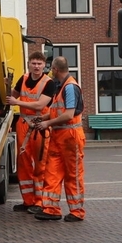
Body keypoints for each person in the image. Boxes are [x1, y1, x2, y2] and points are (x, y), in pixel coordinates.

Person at [32, 56, 85, 222]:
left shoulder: (69, 87)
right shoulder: (62, 87)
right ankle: (51, 209)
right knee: (52, 172)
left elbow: (69, 115)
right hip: (60, 137)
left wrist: (47, 122)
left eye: (51, 68)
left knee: (73, 175)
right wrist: (43, 118)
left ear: (55, 69)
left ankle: (77, 212)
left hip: (70, 137)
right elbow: (58, 111)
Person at [5, 51, 57, 213]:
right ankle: (27, 201)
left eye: (39, 64)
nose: (36, 66)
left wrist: (16, 101)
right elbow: (11, 96)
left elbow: (40, 106)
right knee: (24, 163)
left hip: (40, 126)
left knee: (40, 165)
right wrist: (7, 88)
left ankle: (39, 202)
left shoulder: (49, 83)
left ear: (44, 65)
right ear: (29, 64)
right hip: (23, 124)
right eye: (33, 63)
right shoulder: (24, 79)